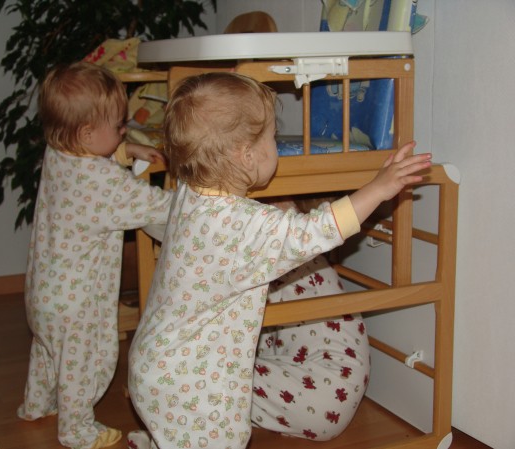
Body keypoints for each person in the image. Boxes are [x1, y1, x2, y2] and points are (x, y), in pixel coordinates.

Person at [127, 72, 431, 449]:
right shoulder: (241, 226)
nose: (276, 145)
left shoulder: (190, 195)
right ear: (246, 156)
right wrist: (380, 188)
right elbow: (319, 229)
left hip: (158, 363)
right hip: (194, 381)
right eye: (272, 136)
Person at [17, 61, 173, 449]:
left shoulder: (58, 154)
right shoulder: (102, 183)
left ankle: (36, 404)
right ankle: (77, 431)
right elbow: (155, 206)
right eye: (119, 126)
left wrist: (123, 151)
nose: (124, 130)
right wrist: (202, 199)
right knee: (81, 365)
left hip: (44, 293)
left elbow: (91, 161)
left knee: (48, 350)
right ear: (86, 132)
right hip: (78, 304)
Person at [251, 198, 370, 441]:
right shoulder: (304, 255)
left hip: (322, 391)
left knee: (211, 376)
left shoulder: (289, 252)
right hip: (324, 387)